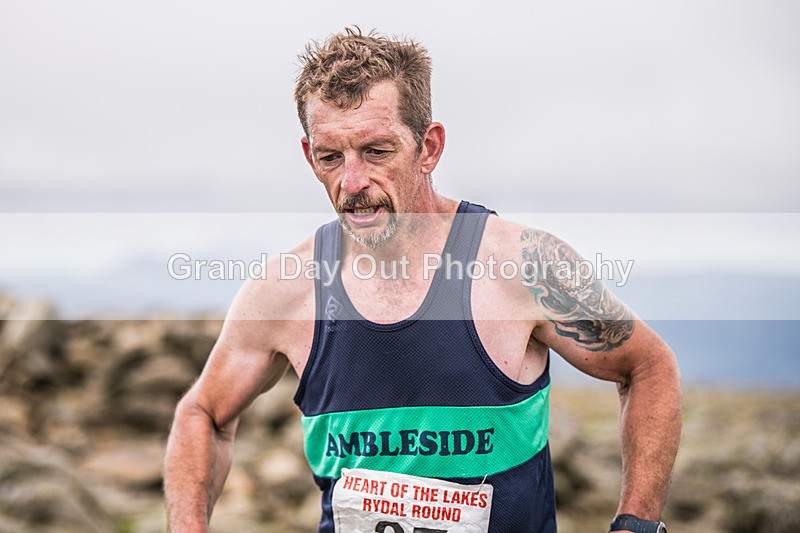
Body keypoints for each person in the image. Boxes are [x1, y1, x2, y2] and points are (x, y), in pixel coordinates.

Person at [164, 27, 681, 533]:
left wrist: (636, 524)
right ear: (309, 157)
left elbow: (647, 366)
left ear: (429, 147)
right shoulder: (286, 290)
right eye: (330, 157)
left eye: (376, 151)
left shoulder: (522, 265)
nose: (352, 183)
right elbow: (203, 414)